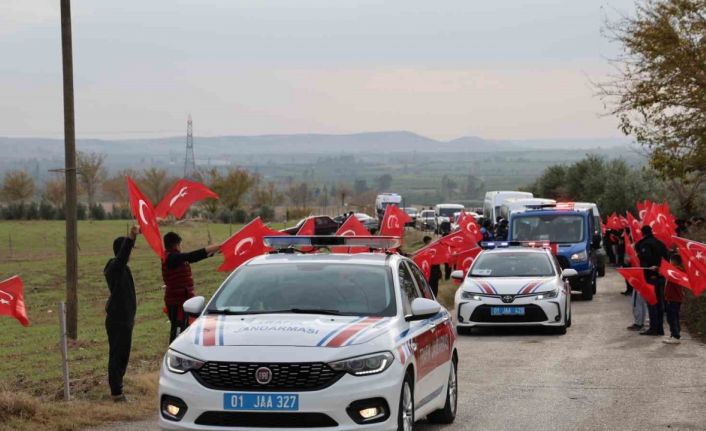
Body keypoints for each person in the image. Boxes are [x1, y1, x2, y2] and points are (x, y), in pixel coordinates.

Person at [162, 232, 221, 342]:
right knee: (178, 330)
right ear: (176, 245)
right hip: (177, 302)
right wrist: (209, 249)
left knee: (185, 327)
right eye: (180, 244)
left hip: (183, 299)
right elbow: (191, 256)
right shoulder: (171, 258)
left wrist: (214, 251)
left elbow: (192, 258)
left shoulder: (175, 257)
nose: (181, 247)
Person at [104, 225, 140, 402]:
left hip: (126, 320)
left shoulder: (124, 269)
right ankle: (116, 392)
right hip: (118, 321)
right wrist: (132, 236)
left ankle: (118, 387)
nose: (130, 254)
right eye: (128, 250)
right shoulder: (114, 267)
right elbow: (122, 256)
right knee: (117, 355)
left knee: (123, 355)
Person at [635, 225, 669, 336]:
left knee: (652, 302)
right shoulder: (660, 243)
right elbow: (667, 258)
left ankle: (654, 328)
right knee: (660, 303)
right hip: (661, 275)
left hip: (651, 276)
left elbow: (646, 258)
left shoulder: (645, 244)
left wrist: (639, 255)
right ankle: (660, 329)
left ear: (642, 233)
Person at [664, 254, 685, 344]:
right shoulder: (676, 271)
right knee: (674, 316)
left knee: (672, 317)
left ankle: (676, 336)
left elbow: (665, 272)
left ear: (673, 261)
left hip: (674, 298)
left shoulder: (676, 271)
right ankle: (675, 334)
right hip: (674, 298)